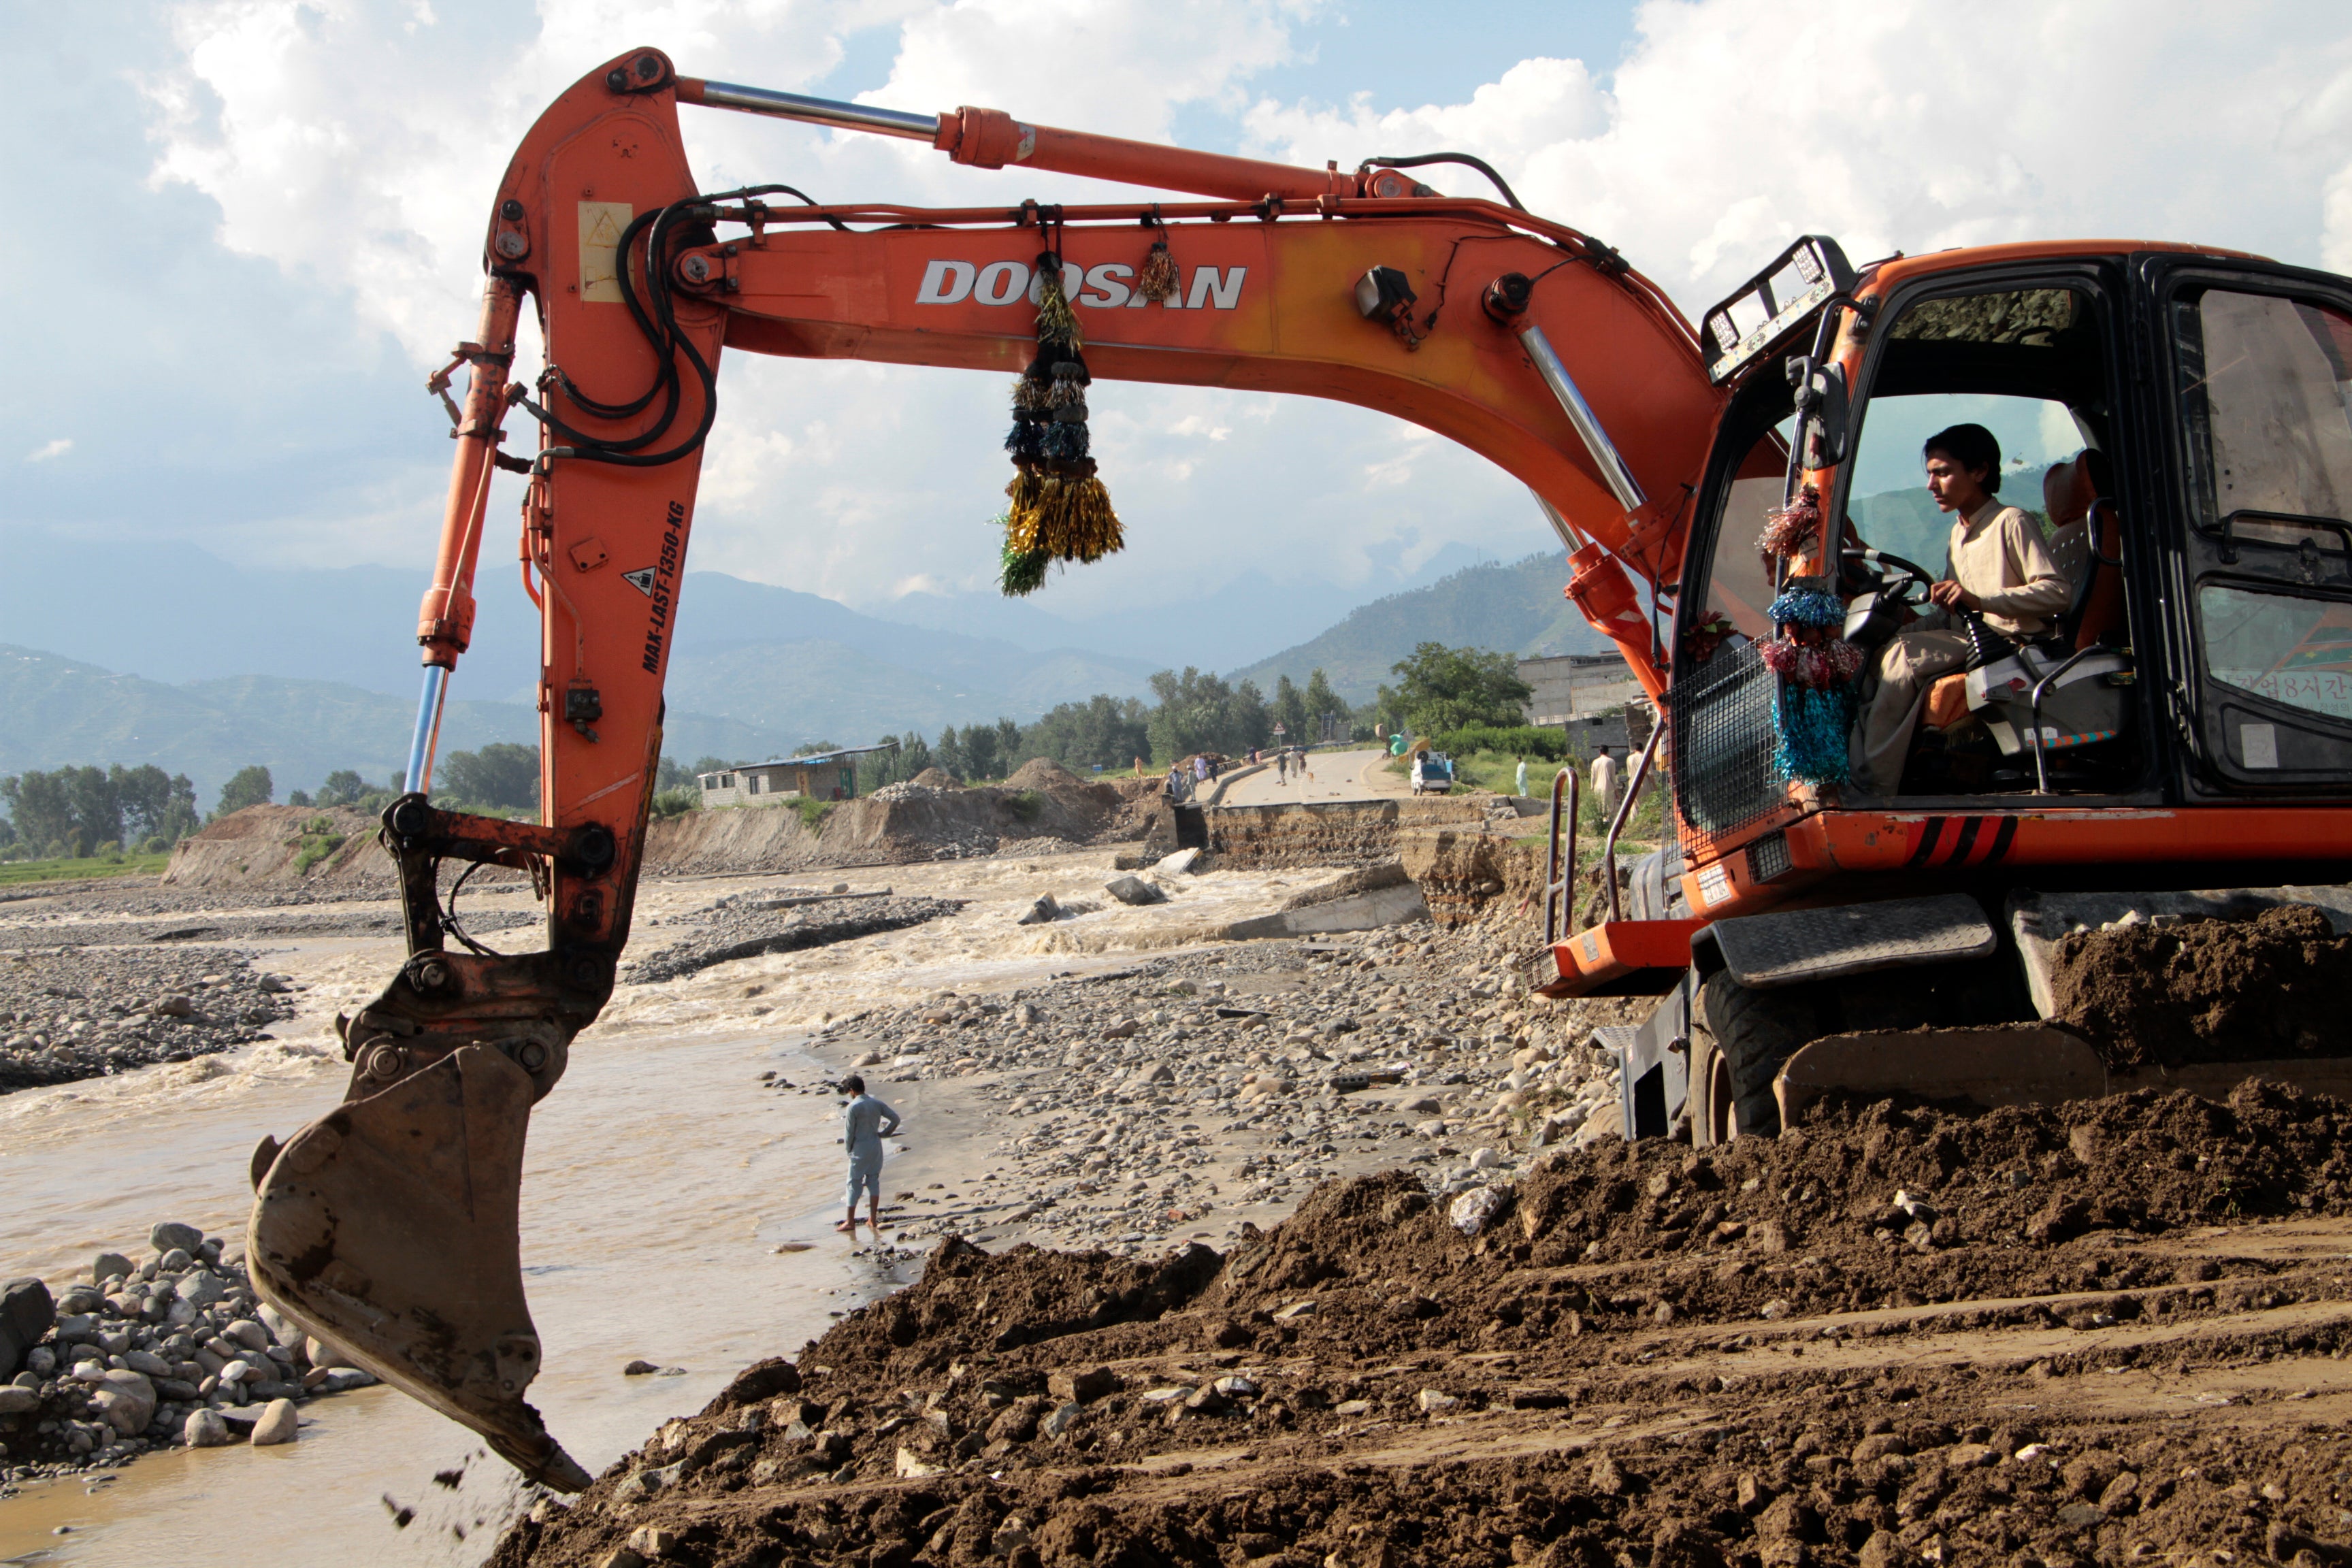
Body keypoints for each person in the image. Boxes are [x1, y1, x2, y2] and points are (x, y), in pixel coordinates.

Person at [1850, 424, 2071, 795]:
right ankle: (1856, 766)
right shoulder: (1958, 534)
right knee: (1876, 653)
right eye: (1930, 474)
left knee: (1904, 658)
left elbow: (2057, 592)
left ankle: (1876, 786)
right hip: (1965, 637)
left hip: (2006, 644)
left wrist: (1982, 600)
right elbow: (1951, 612)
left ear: (1979, 471)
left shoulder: (2011, 522)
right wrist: (1893, 634)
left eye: (1942, 473)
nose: (1931, 485)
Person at [836, 1075, 901, 1237]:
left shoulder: (853, 1107)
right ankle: (873, 1218)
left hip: (860, 1149)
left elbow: (849, 1133)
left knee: (853, 1183)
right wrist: (885, 1133)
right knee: (873, 1181)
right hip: (875, 1147)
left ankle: (850, 1221)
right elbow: (895, 1119)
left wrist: (848, 1150)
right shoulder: (876, 1103)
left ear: (852, 1091)